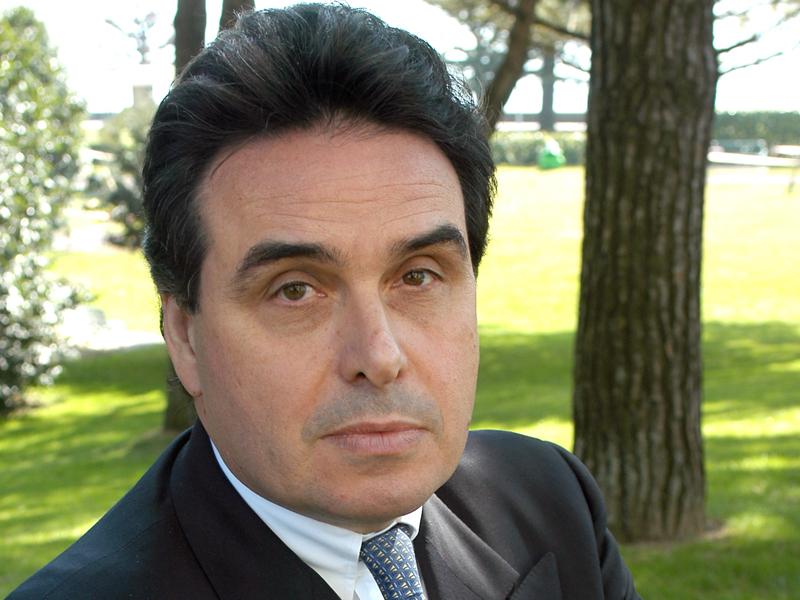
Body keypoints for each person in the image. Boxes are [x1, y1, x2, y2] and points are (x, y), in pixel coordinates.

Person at [10, 4, 640, 599]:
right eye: (295, 290)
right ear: (184, 335)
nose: (379, 357)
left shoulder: (549, 502)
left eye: (418, 277)